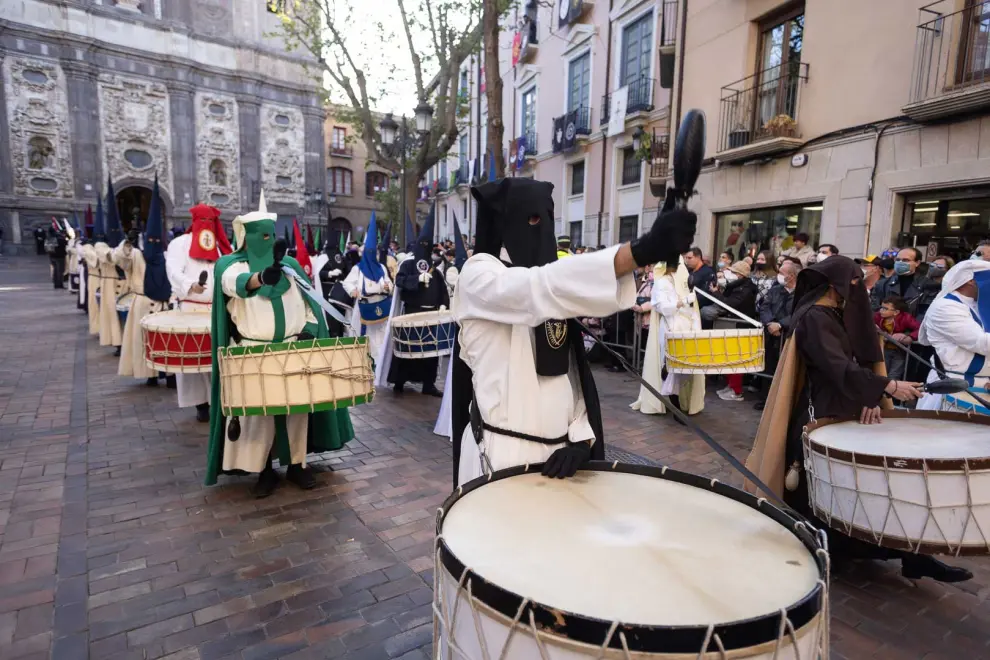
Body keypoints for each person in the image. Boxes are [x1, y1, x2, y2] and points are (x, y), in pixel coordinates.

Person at [450, 177, 695, 487]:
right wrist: (637, 252)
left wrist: (580, 438)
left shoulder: (553, 286)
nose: (543, 230)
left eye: (548, 219)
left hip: (559, 462)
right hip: (499, 458)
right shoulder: (478, 276)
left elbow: (569, 373)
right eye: (534, 219)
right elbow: (534, 289)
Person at [746, 255, 971, 582]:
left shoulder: (836, 313)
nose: (859, 291)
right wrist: (889, 385)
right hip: (823, 411)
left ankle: (913, 554)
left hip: (852, 402)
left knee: (876, 483)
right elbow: (836, 367)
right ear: (836, 284)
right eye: (853, 284)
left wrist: (873, 398)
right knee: (824, 490)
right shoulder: (814, 317)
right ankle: (829, 551)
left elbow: (859, 359)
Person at [205, 196, 355, 497]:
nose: (268, 240)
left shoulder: (289, 266)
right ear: (246, 237)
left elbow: (310, 303)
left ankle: (297, 465)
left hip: (293, 351)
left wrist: (309, 331)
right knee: (258, 416)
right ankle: (263, 470)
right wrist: (261, 277)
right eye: (262, 235)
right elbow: (233, 284)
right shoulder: (229, 265)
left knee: (297, 411)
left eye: (271, 235)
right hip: (253, 354)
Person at [165, 203, 233, 422]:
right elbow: (173, 271)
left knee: (217, 359)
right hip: (190, 309)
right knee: (193, 361)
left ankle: (220, 400)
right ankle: (201, 404)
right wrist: (190, 285)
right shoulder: (180, 244)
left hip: (217, 310)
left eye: (210, 221)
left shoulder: (222, 247)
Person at [384, 206, 448, 396]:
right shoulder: (409, 264)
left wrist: (444, 303)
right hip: (412, 312)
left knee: (430, 352)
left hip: (431, 314)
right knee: (408, 349)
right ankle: (400, 381)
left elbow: (442, 288)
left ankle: (428, 384)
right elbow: (400, 281)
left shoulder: (434, 268)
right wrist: (416, 280)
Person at [631, 261, 705, 419]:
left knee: (688, 367)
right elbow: (660, 306)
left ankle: (683, 401)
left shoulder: (683, 280)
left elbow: (692, 307)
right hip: (671, 326)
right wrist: (681, 302)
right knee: (673, 367)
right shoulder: (662, 282)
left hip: (688, 326)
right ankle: (675, 405)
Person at [117, 178, 171, 385]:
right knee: (143, 341)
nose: (154, 244)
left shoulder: (167, 255)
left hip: (163, 305)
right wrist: (127, 242)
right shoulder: (137, 255)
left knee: (166, 342)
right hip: (141, 303)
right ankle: (148, 374)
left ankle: (168, 374)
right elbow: (119, 259)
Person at [917, 260, 990, 413]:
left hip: (983, 389)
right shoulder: (945, 307)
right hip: (952, 388)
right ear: (970, 280)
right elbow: (982, 343)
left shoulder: (981, 306)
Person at [703, 261, 758, 401]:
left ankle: (736, 390)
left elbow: (729, 304)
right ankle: (730, 386)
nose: (730, 275)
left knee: (736, 360)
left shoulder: (745, 289)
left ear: (740, 275)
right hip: (733, 325)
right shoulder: (735, 286)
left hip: (740, 327)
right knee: (729, 357)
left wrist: (716, 293)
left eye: (733, 272)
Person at [343, 215, 394, 364]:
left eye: (375, 253)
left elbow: (389, 283)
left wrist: (387, 287)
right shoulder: (357, 269)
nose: (373, 256)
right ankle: (363, 362)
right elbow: (347, 283)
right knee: (363, 336)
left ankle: (379, 364)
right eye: (370, 253)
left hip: (381, 305)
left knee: (380, 337)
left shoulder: (382, 268)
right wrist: (354, 291)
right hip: (364, 307)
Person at [755, 259, 799, 410]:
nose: (778, 276)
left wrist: (781, 324)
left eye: (781, 273)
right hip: (771, 334)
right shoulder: (775, 290)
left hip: (788, 335)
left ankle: (783, 402)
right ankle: (765, 399)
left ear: (792, 276)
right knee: (768, 366)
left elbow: (798, 313)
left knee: (786, 369)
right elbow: (764, 307)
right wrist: (770, 323)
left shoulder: (801, 293)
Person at [312, 233, 353, 337]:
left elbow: (347, 271)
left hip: (339, 292)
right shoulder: (322, 257)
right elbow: (317, 274)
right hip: (326, 292)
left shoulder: (340, 256)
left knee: (340, 315)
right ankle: (331, 334)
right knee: (330, 316)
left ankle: (340, 334)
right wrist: (329, 273)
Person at [874, 296, 920, 381]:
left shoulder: (906, 318)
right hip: (883, 350)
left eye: (885, 309)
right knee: (882, 373)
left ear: (896, 312)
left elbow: (920, 329)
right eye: (881, 307)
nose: (881, 311)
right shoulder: (878, 316)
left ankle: (892, 392)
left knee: (894, 374)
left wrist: (910, 336)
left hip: (899, 351)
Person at [682, 247, 717, 321]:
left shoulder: (708, 272)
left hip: (701, 310)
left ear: (698, 257)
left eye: (689, 258)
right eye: (686, 258)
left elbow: (706, 293)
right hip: (689, 307)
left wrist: (690, 302)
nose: (687, 260)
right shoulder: (690, 271)